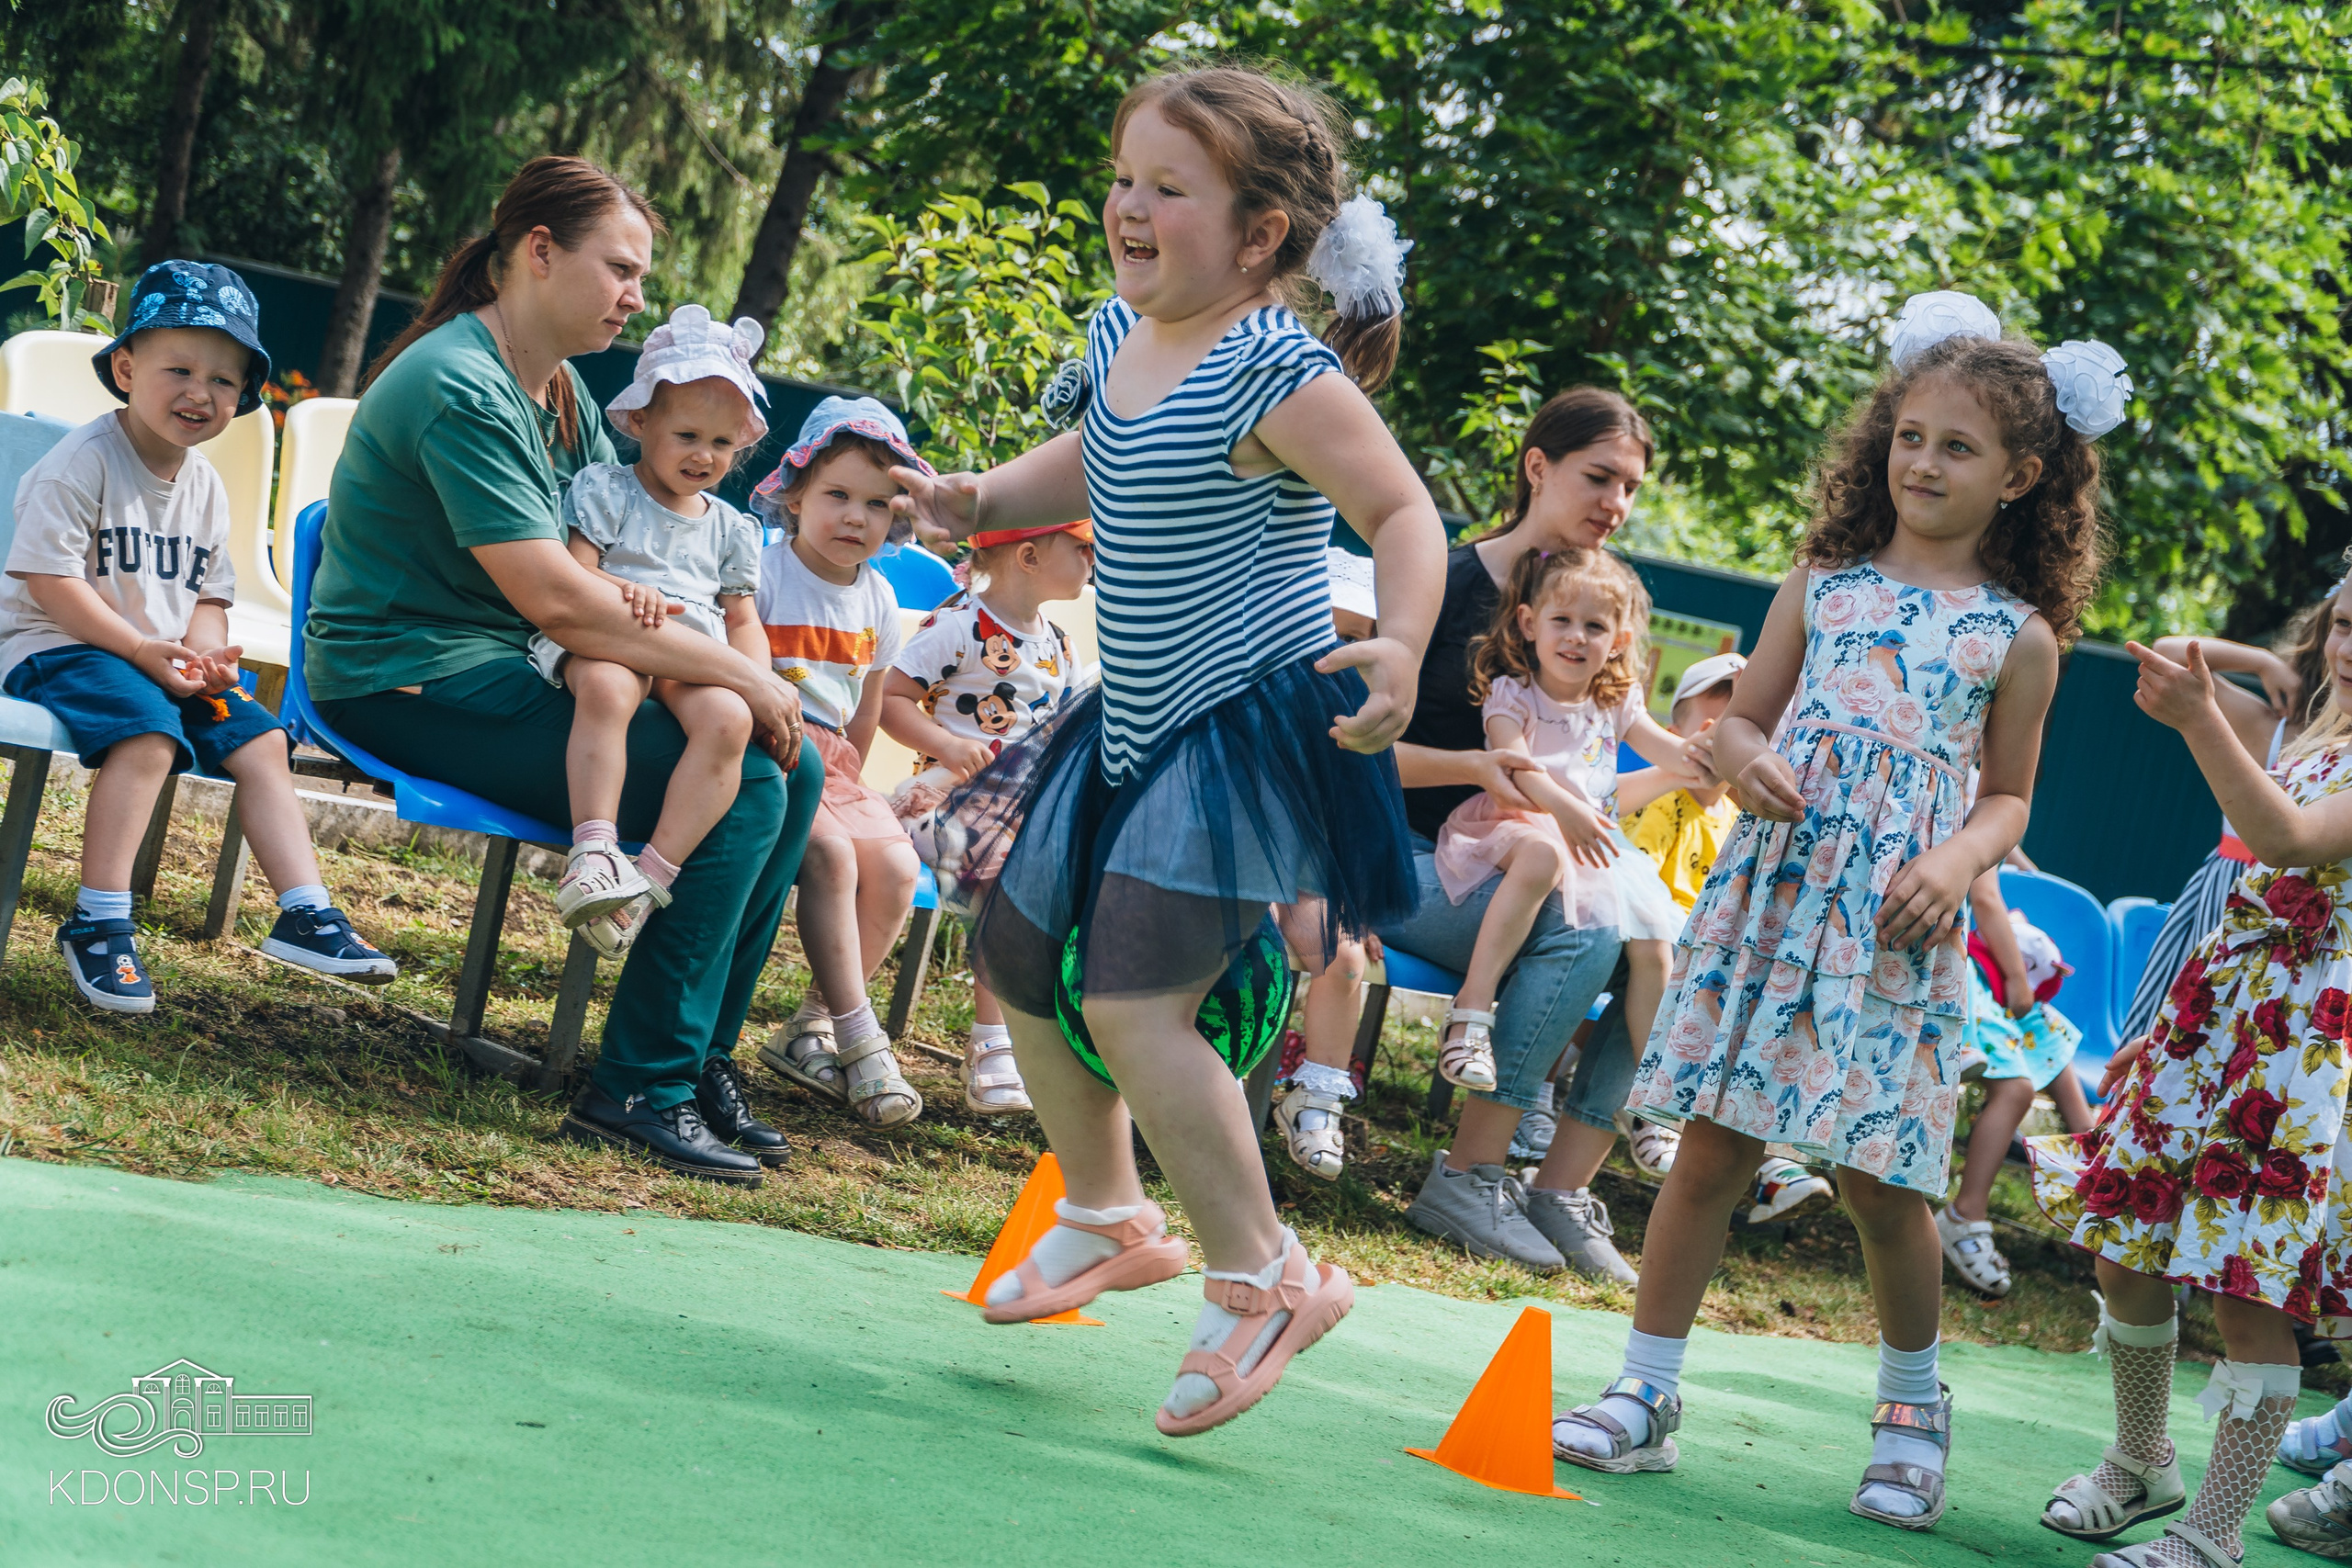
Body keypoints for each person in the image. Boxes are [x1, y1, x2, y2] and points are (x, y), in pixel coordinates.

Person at [890, 65, 1443, 1436]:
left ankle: (1265, 1275)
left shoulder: (1280, 371)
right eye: (1124, 178)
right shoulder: (1122, 334)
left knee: (1139, 1004)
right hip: (1131, 717)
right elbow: (1096, 453)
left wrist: (1406, 643)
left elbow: (1405, 515)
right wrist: (978, 497)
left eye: (1168, 188)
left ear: (1260, 235)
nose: (1129, 207)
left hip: (1244, 730)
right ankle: (1106, 1208)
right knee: (1015, 943)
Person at [1556, 290, 2118, 1535]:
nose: (1923, 460)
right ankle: (1644, 1391)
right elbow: (1746, 713)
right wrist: (1746, 756)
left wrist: (1958, 852)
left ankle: (1913, 1414)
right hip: (1779, 894)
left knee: (1879, 1177)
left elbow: (2012, 797)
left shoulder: (2018, 635)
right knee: (1712, 1147)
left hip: (1894, 923)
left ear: (2022, 474)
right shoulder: (1821, 582)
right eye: (1909, 435)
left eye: (1958, 446)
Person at [305, 157, 820, 1188]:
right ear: (539, 253)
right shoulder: (460, 384)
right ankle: (639, 1085)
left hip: (512, 666)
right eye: (621, 269)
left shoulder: (565, 394)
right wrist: (747, 678)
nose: (637, 296)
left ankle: (699, 1057)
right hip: (408, 678)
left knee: (789, 771)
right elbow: (555, 596)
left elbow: (623, 581)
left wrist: (744, 681)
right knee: (753, 780)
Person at [2027, 562, 2352, 1568]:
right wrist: (2170, 1028)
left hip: (2300, 1052)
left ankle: (2210, 1536)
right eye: (2345, 624)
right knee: (2123, 1250)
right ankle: (2139, 1462)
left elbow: (2285, 840)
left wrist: (2205, 719)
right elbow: (2250, 899)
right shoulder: (2314, 733)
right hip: (2221, 1019)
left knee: (2247, 1292)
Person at [0, 260, 397, 1011]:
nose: (199, 393)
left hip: (153, 661)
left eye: (223, 380)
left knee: (261, 738)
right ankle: (98, 920)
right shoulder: (80, 463)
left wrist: (207, 655)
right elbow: (50, 582)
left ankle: (305, 910)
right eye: (178, 368)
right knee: (149, 734)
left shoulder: (206, 486)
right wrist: (142, 649)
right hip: (54, 644)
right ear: (125, 366)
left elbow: (209, 596)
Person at [1385, 387, 1649, 1282]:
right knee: (1588, 933)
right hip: (1407, 861)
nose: (1615, 504)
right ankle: (1466, 1176)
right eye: (1598, 476)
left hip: (1524, 872)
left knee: (1655, 944)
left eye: (1630, 488)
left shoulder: (1601, 612)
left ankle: (1557, 1189)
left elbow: (1615, 760)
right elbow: (1358, 756)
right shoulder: (1449, 584)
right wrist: (1477, 770)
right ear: (1538, 466)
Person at [535, 305, 774, 960]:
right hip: (609, 633)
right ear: (641, 422)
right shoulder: (607, 491)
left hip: (691, 650)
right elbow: (575, 572)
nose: (705, 456)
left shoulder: (731, 528)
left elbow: (741, 618)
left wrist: (759, 684)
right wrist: (622, 587)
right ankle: (594, 849)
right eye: (688, 435)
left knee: (728, 722)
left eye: (723, 445)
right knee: (610, 689)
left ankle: (649, 880)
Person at [1428, 547, 1697, 1100]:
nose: (1576, 637)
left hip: (1586, 839)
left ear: (1618, 640)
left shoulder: (1615, 698)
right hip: (1513, 822)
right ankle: (1471, 1011)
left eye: (1594, 626)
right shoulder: (1512, 693)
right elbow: (1516, 768)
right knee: (1541, 855)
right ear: (1530, 624)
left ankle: (1652, 1096)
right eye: (1562, 621)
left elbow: (1665, 750)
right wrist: (1568, 809)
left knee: (1656, 945)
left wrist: (1705, 754)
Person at [1611, 651, 1838, 1226]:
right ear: (1675, 730)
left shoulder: (1741, 822)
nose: (1719, 740)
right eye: (1710, 721)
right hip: (1657, 951)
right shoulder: (1659, 799)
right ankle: (1748, 1159)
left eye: (1738, 722)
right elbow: (1639, 896)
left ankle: (1766, 1163)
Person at [750, 399, 927, 1130]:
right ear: (793, 495)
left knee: (895, 866)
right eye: (838, 495)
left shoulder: (879, 598)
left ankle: (813, 1023)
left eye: (877, 504)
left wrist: (858, 778)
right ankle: (862, 1036)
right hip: (773, 744)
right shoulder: (764, 572)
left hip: (838, 761)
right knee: (834, 860)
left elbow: (868, 702)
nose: (857, 516)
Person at [881, 515, 1094, 1114]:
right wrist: (948, 746)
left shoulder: (1059, 645)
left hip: (1025, 813)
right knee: (1013, 875)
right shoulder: (957, 625)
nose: (1093, 558)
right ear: (1028, 555)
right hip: (939, 801)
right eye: (1083, 547)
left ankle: (1072, 1047)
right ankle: (993, 1045)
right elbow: (891, 698)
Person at [2116, 615, 2326, 1049]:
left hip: (2308, 928)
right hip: (2227, 897)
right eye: (2342, 630)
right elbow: (2168, 654)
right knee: (2167, 1034)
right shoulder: (2272, 725)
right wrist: (2263, 662)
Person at [1271, 547, 1384, 1180]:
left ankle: (1314, 1100)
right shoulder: (1246, 693)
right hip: (1229, 865)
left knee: (1343, 957)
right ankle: (1205, 1079)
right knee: (1236, 941)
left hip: (1307, 873)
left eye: (1353, 639)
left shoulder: (1354, 724)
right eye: (1323, 631)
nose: (1336, 652)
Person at [1932, 868, 2088, 1297]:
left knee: (2047, 1027)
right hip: (1954, 957)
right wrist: (2018, 980)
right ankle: (1965, 1215)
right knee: (2017, 1085)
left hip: (1974, 960)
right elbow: (1984, 895)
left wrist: (2018, 857)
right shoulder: (1975, 801)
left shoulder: (1991, 807)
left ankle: (2094, 1161)